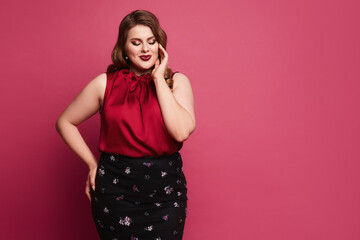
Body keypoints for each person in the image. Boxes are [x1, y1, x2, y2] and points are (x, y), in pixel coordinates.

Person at [55, 9, 195, 240]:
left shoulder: (177, 83)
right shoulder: (105, 84)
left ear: (160, 44)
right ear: (124, 48)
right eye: (136, 42)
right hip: (116, 194)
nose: (145, 49)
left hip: (166, 196)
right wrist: (91, 165)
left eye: (151, 41)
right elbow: (65, 122)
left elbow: (180, 131)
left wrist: (158, 79)